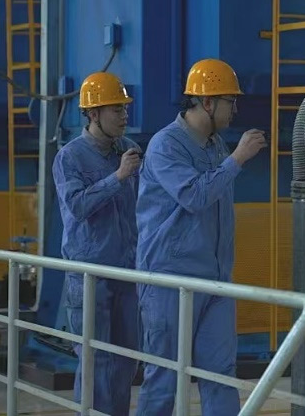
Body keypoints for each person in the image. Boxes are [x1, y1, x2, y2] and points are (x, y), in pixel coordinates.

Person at [134, 59, 267, 415]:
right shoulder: (166, 145)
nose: (234, 110)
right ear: (207, 102)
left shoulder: (215, 144)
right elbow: (194, 196)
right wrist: (237, 158)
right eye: (230, 101)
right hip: (169, 279)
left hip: (215, 279)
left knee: (220, 374)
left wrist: (231, 157)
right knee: (164, 377)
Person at [52, 71, 141, 416]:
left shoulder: (129, 149)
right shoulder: (70, 157)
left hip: (128, 272)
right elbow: (77, 206)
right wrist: (118, 177)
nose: (124, 116)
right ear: (93, 113)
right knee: (96, 361)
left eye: (124, 109)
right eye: (116, 109)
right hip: (90, 276)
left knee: (127, 359)